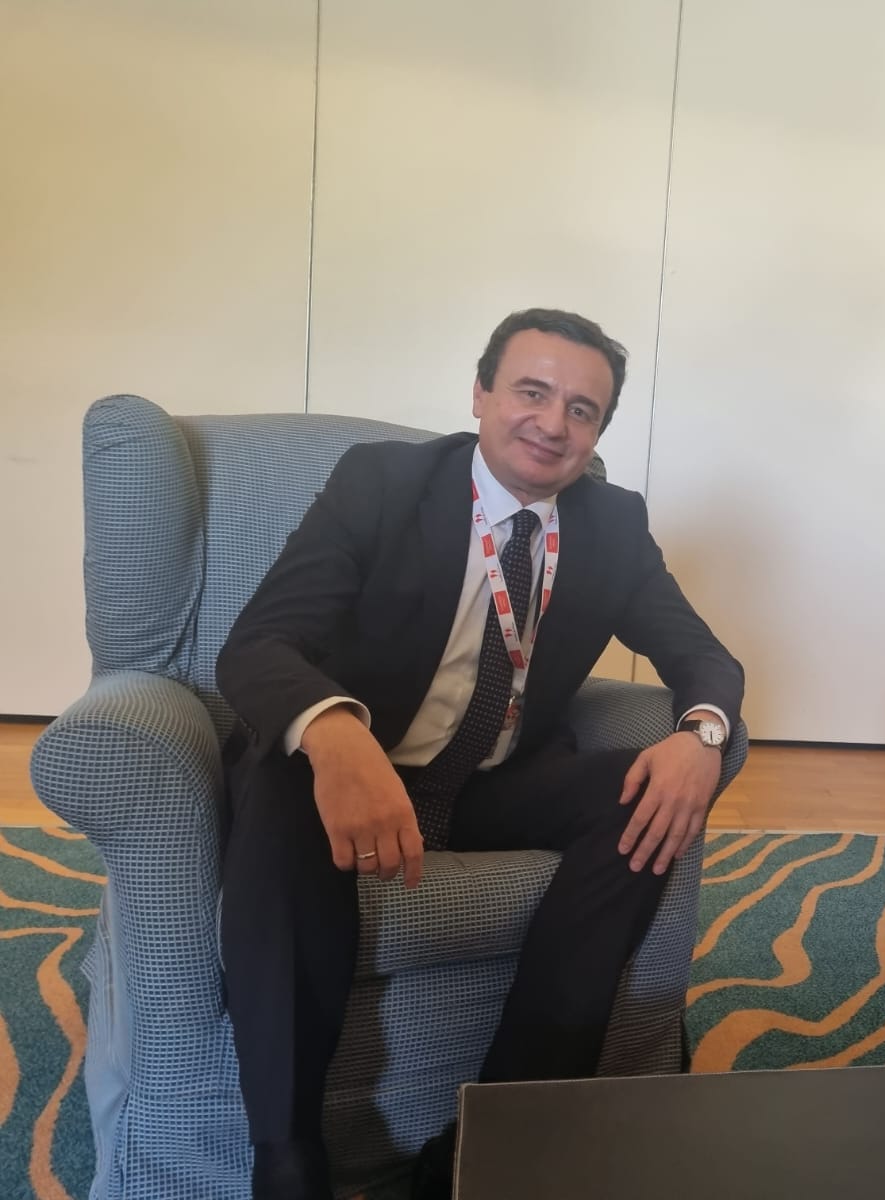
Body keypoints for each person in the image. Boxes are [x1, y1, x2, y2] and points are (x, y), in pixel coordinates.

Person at [216, 308, 744, 1200]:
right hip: (355, 764)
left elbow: (703, 657)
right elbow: (258, 643)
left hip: (490, 782)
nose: (552, 423)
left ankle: (496, 1133)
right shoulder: (383, 483)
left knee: (641, 800)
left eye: (582, 410)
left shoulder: (611, 524)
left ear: (598, 433)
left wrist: (703, 736)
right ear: (480, 393)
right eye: (532, 392)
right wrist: (338, 735)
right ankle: (288, 1153)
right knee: (280, 778)